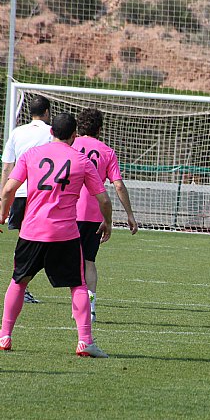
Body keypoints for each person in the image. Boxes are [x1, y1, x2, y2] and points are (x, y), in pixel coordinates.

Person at [0, 112, 112, 357]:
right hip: (65, 234)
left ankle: (4, 336)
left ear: (51, 132)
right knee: (78, 285)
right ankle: (85, 341)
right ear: (74, 135)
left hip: (31, 231)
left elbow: (9, 189)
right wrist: (108, 222)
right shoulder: (82, 161)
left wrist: (3, 213)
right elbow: (103, 198)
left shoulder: (31, 155)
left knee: (18, 281)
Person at [73, 108, 139, 323]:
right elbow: (118, 185)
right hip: (93, 214)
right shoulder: (107, 151)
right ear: (99, 129)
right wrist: (129, 214)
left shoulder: (68, 145)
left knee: (65, 260)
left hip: (67, 212)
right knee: (89, 261)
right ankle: (89, 308)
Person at [1, 95, 53, 304]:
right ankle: (22, 285)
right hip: (43, 195)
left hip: (19, 192)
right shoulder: (52, 133)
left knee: (25, 240)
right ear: (47, 112)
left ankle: (21, 286)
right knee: (49, 242)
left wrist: (4, 197)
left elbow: (7, 166)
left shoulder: (16, 133)